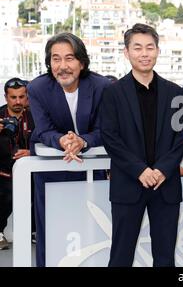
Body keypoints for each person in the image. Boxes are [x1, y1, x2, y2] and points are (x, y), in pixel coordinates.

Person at [100, 23, 183, 267]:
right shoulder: (112, 93)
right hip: (128, 184)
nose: (144, 53)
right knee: (120, 256)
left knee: (165, 257)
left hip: (165, 185)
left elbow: (180, 139)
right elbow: (110, 138)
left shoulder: (176, 93)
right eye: (137, 47)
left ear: (158, 51)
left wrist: (162, 170)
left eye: (150, 47)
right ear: (127, 53)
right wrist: (140, 170)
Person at [27, 32, 110, 267]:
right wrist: (64, 140)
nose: (62, 66)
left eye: (69, 58)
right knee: (50, 228)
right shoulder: (38, 88)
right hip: (51, 171)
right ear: (49, 63)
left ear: (82, 62)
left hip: (91, 168)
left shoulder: (101, 86)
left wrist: (82, 141)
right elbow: (43, 131)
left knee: (92, 227)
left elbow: (105, 130)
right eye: (56, 59)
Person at [0, 78, 35, 250]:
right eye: (13, 97)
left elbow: (46, 138)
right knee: (4, 194)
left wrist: (31, 152)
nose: (18, 102)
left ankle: (36, 231)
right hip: (3, 172)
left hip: (32, 169)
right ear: (6, 97)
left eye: (22, 97)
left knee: (41, 192)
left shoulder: (35, 115)